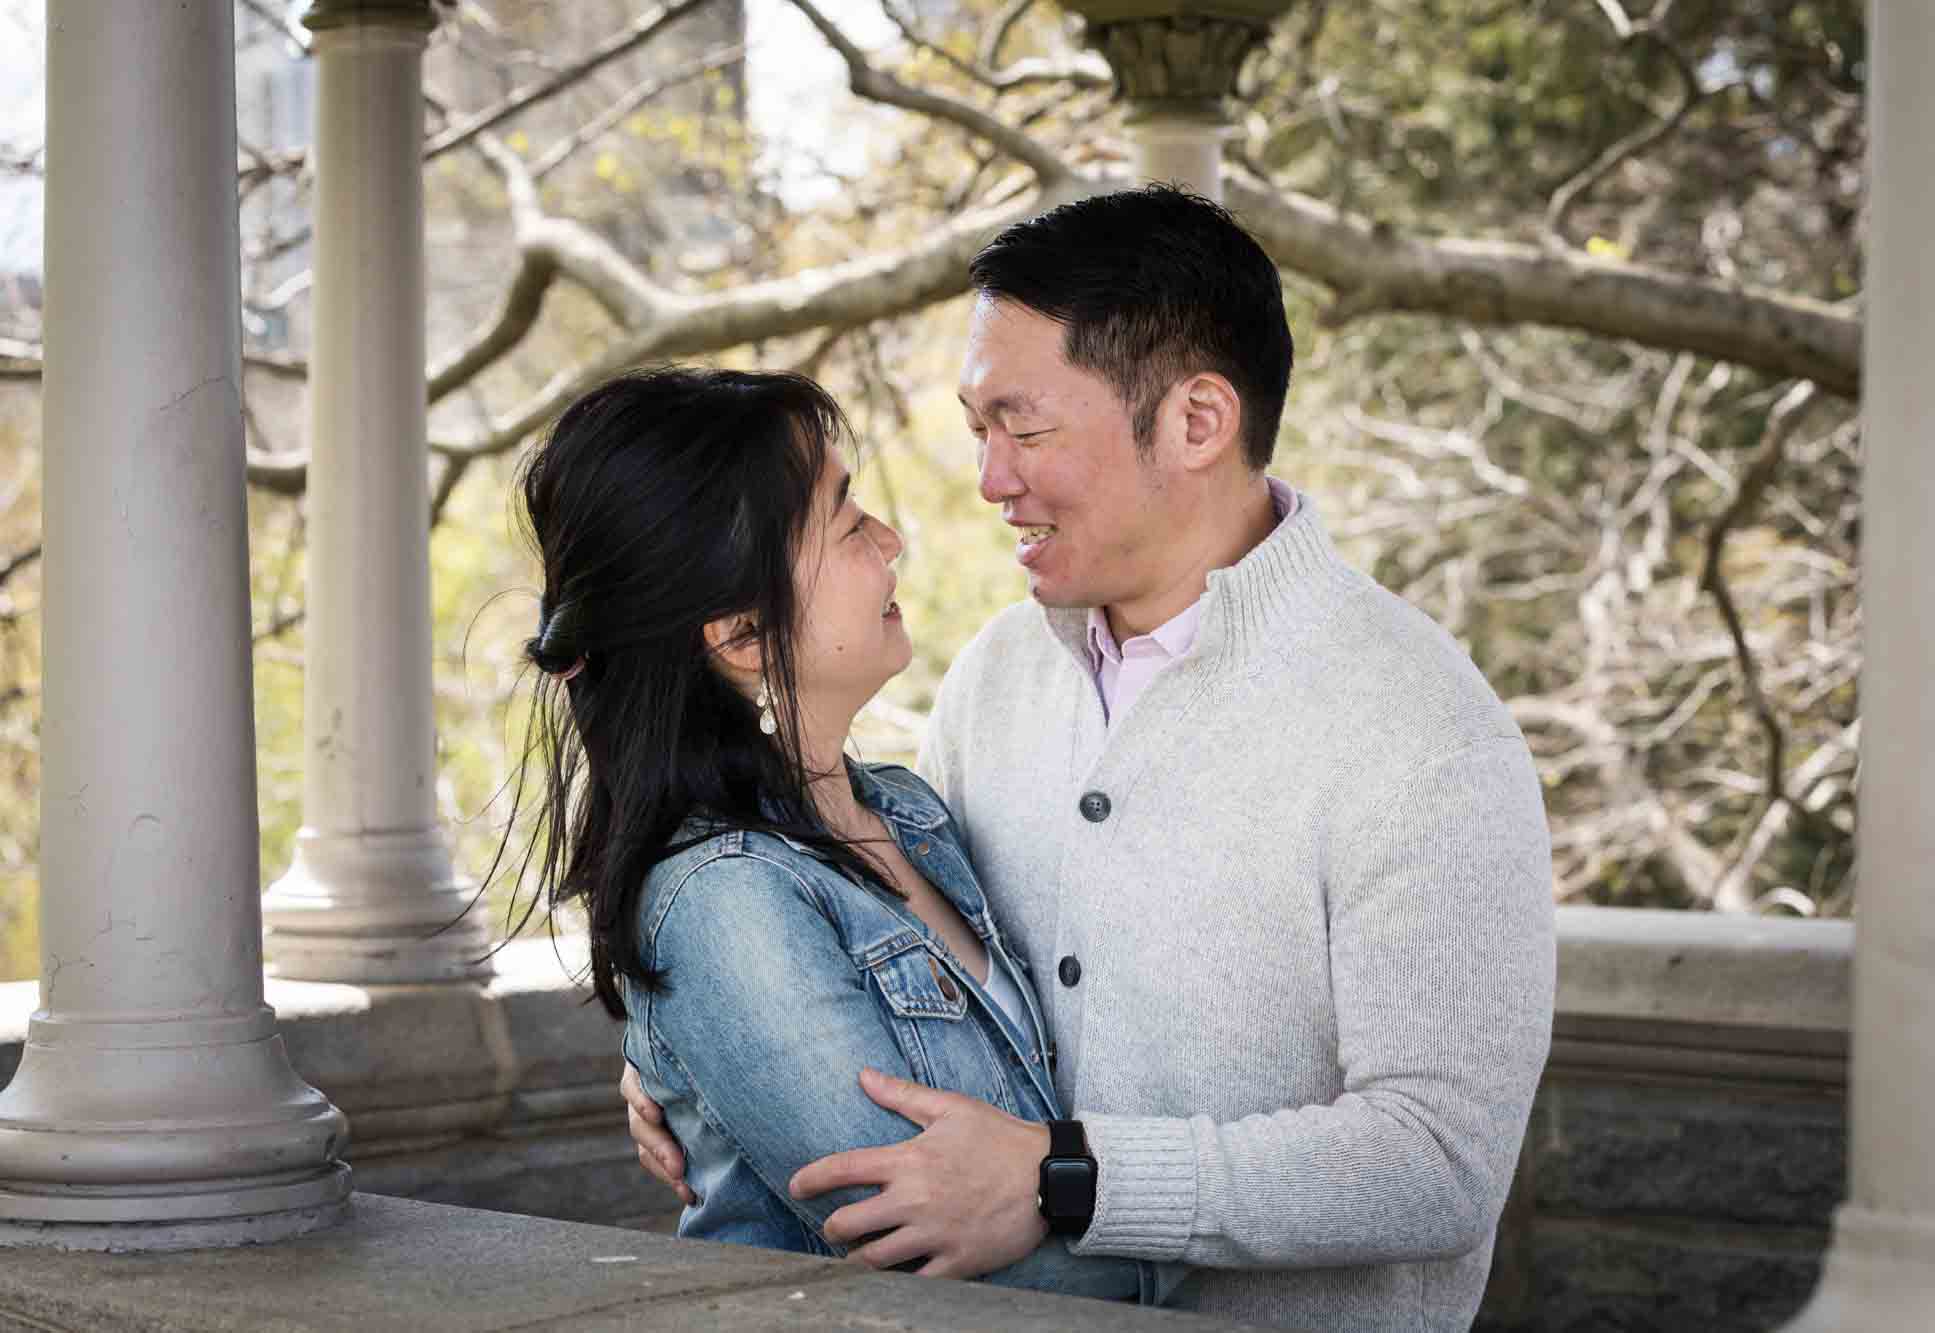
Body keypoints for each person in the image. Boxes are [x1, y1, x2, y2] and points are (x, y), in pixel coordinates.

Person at [624, 186, 1557, 1332]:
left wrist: (1068, 1175)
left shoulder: (1421, 730)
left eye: (1025, 427)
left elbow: (1436, 1161)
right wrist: (705, 1050)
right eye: (977, 428)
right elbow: (915, 971)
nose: (988, 479)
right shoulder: (995, 674)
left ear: (1196, 422)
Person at [510, 364, 1159, 1304]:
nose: (892, 540)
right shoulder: (722, 902)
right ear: (739, 635)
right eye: (848, 520)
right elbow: (944, 1247)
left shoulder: (905, 811)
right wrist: (1203, 1226)